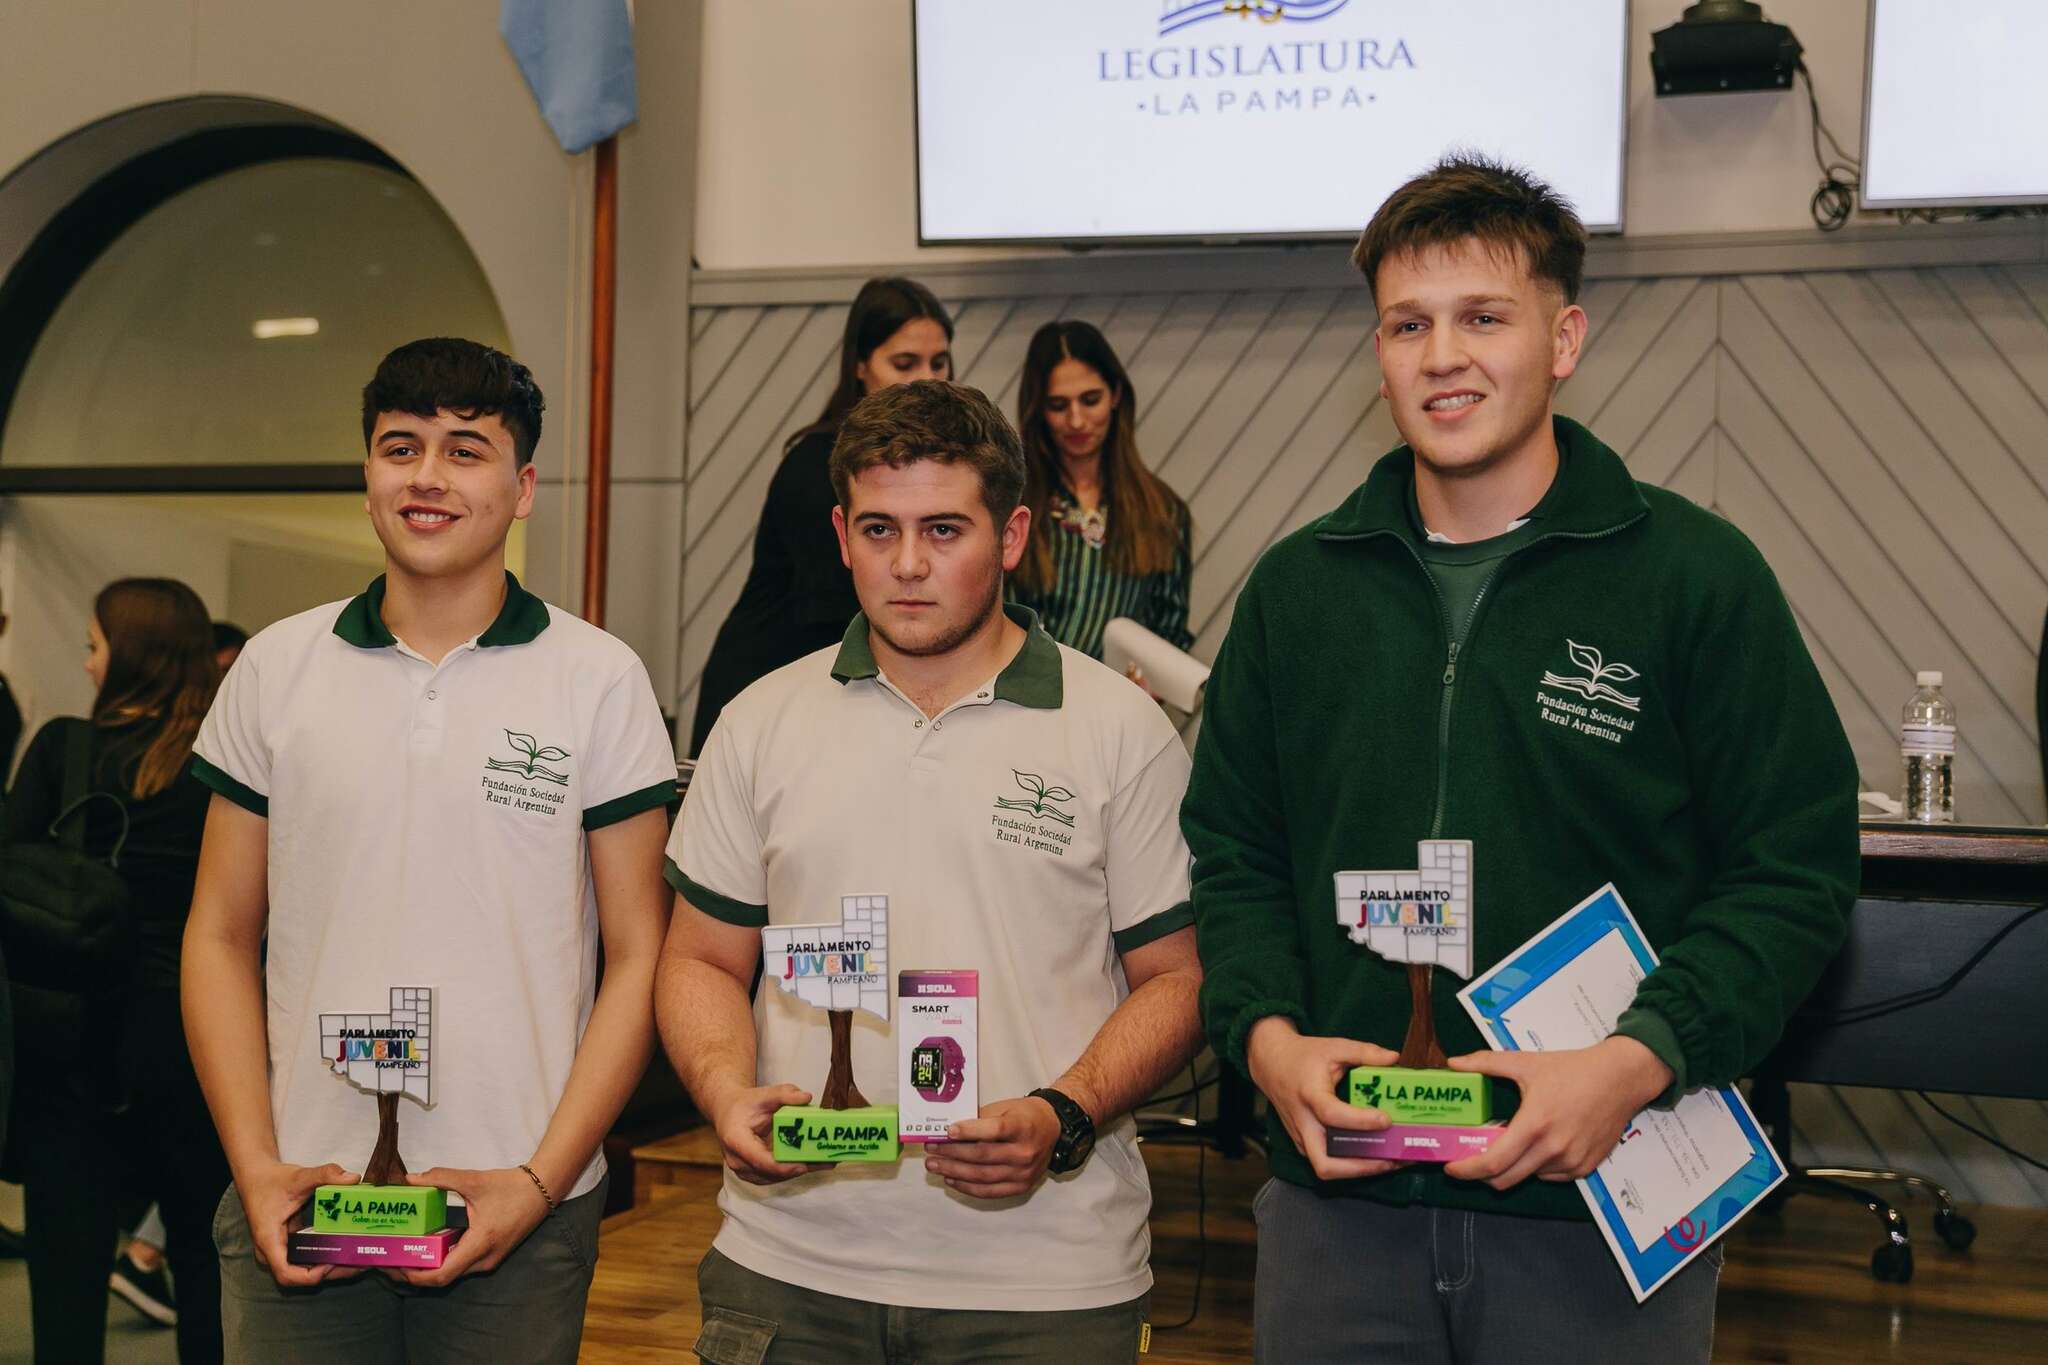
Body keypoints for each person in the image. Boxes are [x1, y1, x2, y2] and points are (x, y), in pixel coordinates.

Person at [1182, 156, 1861, 1363]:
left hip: (1599, 1204)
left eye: (1481, 317)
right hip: (1341, 1212)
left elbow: (1792, 871)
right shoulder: (1296, 593)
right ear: (1378, 352)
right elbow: (1234, 855)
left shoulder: (1694, 577)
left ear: (1562, 338)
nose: (1441, 354)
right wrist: (1265, 1040)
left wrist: (1633, 1060)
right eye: (1407, 323)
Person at [659, 380, 1203, 1362]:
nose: (906, 564)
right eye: (878, 529)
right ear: (839, 534)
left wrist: (1063, 1112)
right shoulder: (758, 723)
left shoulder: (1119, 732)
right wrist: (722, 1090)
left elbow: (1178, 979)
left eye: (944, 529)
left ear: (1009, 534)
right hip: (789, 1264)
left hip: (1046, 1280)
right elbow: (698, 958)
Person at [181, 338, 678, 1364]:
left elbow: (639, 957)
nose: (426, 476)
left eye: (465, 450)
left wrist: (542, 1182)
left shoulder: (599, 680)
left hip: (519, 1205)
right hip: (303, 1201)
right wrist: (257, 1164)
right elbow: (219, 936)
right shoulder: (278, 669)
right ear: (366, 474)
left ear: (523, 484)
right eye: (399, 447)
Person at [5, 577, 230, 1364]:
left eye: (96, 645)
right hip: (197, 1042)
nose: (89, 662)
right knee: (207, 1264)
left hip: (70, 1044)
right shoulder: (223, 770)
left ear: (131, 656)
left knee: (65, 1274)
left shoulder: (63, 748)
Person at [689, 276, 954, 755]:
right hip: (768, 694)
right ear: (859, 367)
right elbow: (840, 621)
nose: (927, 381)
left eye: (939, 362)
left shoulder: (933, 463)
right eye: (904, 363)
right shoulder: (819, 463)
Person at [1010, 320, 1192, 661]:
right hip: (1022, 699)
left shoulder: (1163, 511)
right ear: (1038, 410)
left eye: (1090, 400)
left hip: (1118, 703)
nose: (1076, 421)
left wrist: (1150, 680)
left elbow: (1170, 630)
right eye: (1059, 406)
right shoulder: (1011, 503)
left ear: (1116, 395)